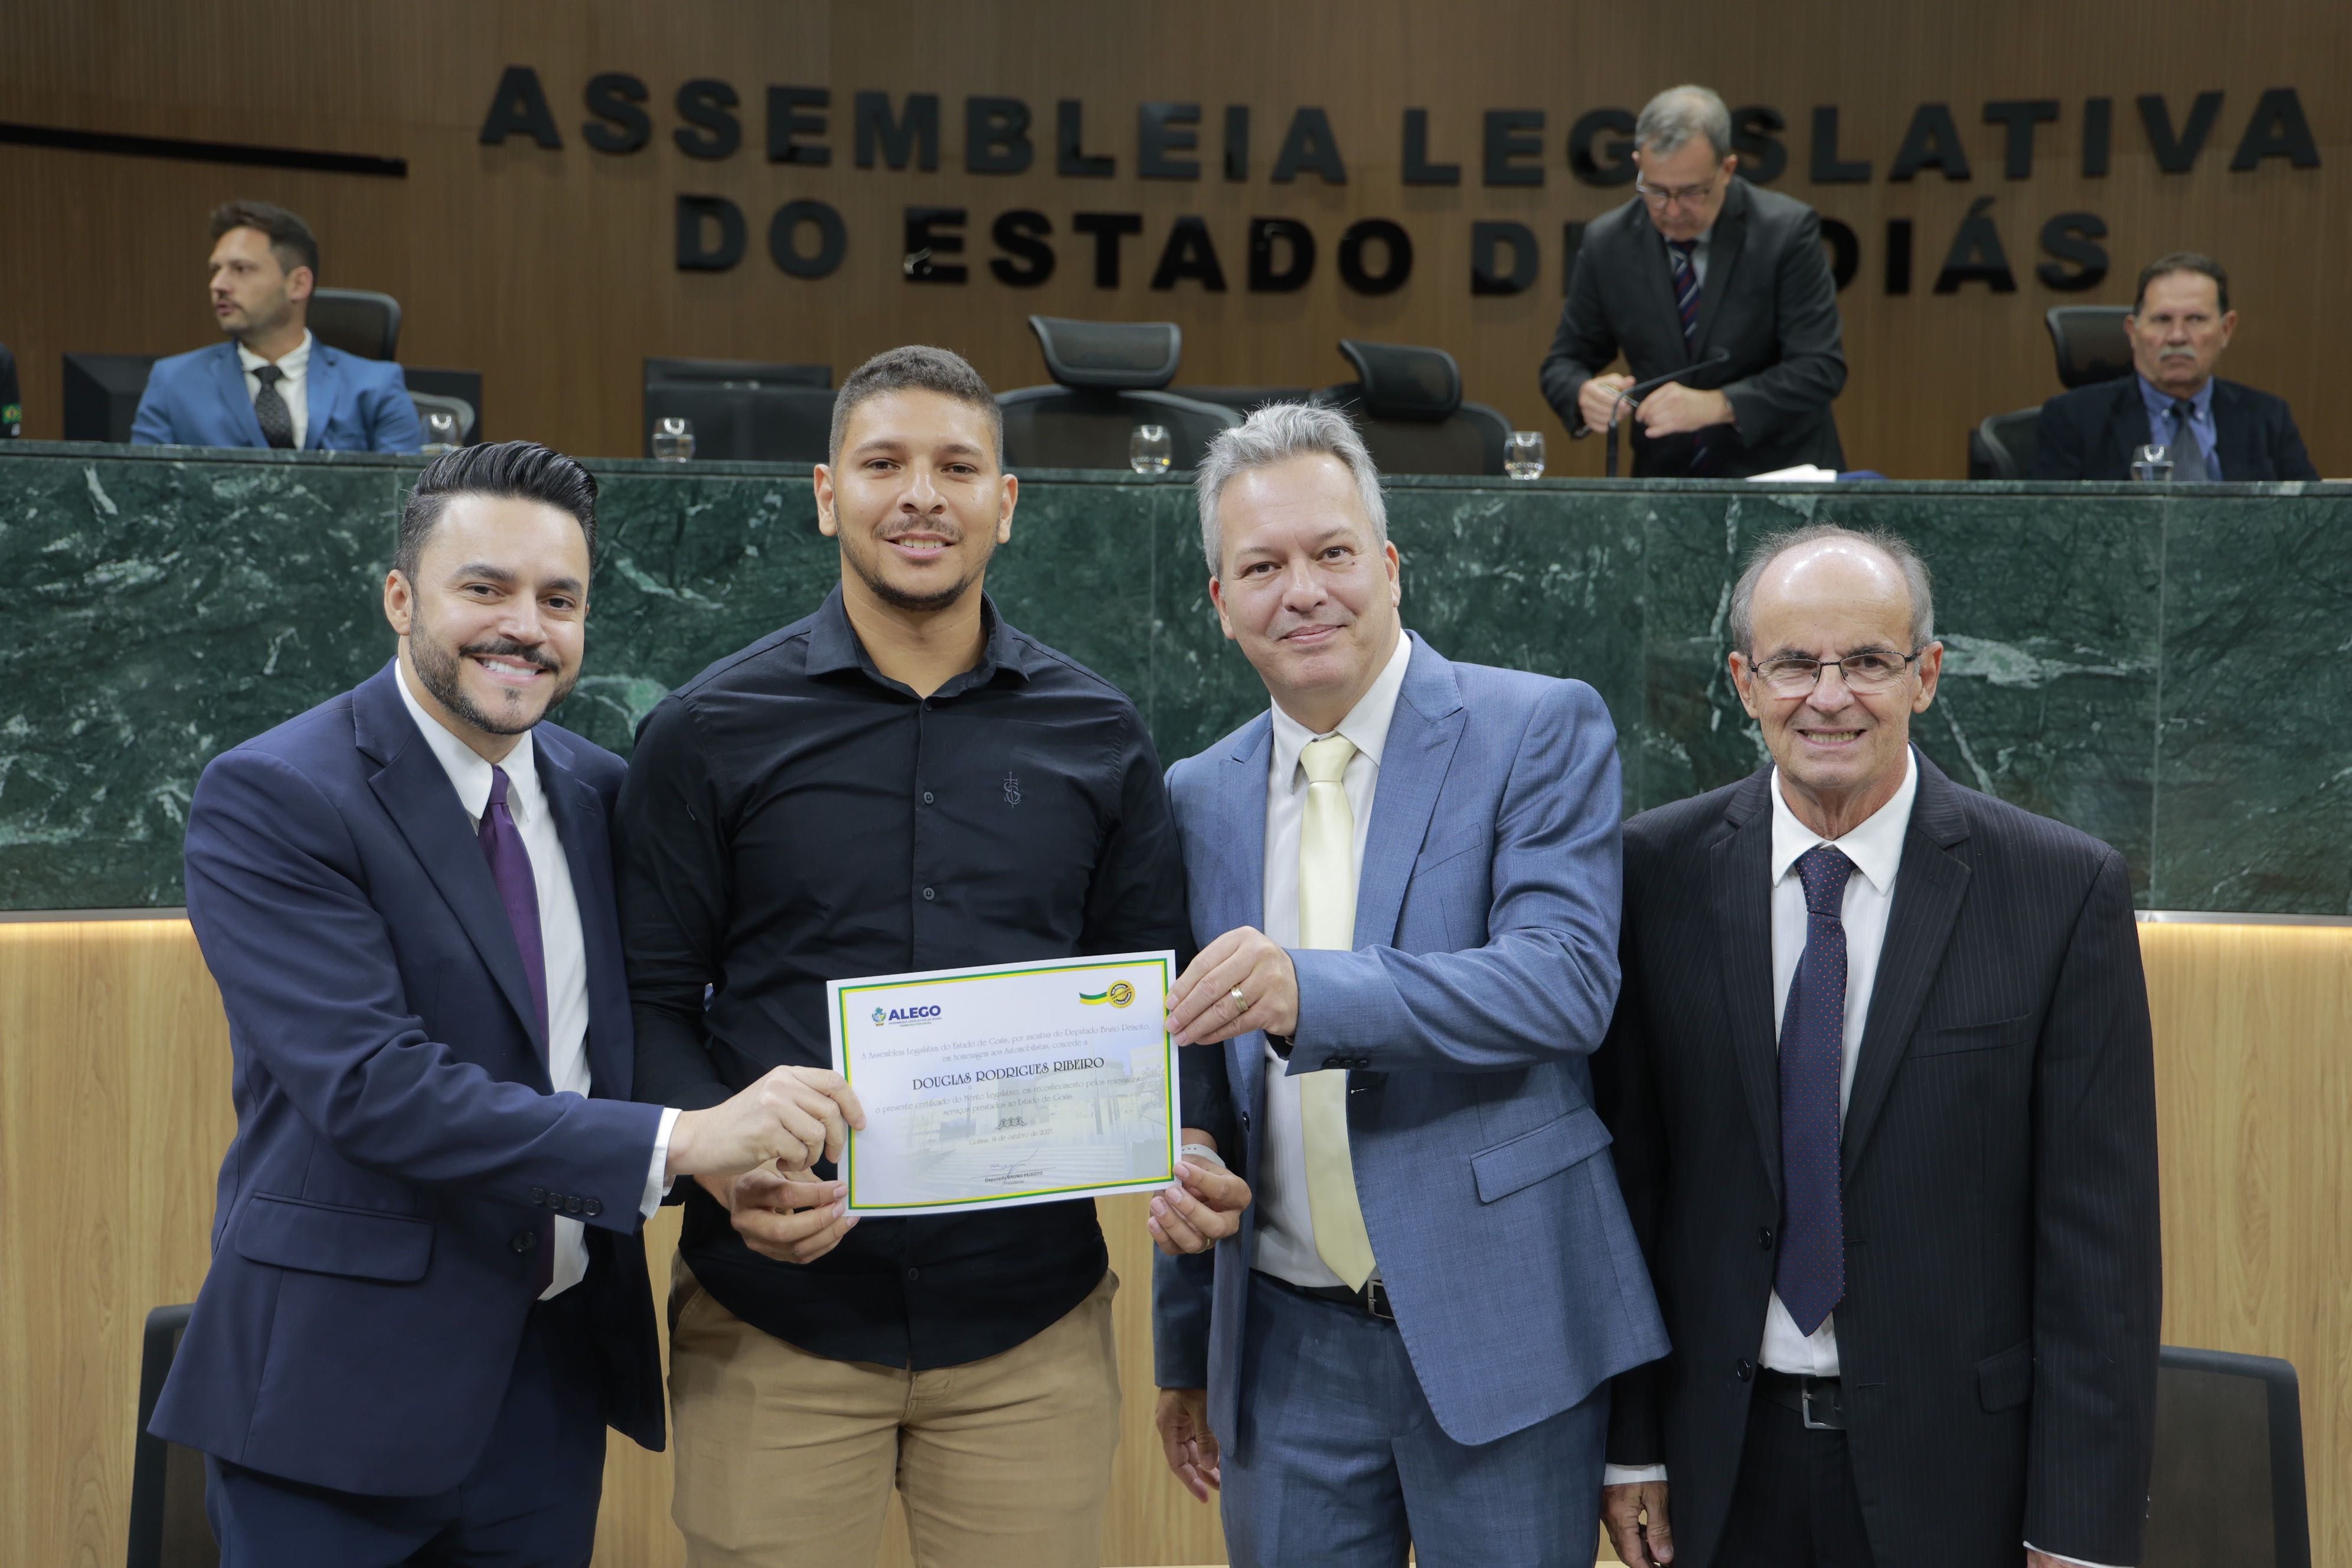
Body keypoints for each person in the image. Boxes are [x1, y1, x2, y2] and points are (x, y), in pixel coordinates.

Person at [151, 441, 864, 1566]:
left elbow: (613, 1042)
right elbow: (373, 1088)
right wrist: (682, 1140)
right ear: (400, 598)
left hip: (547, 1385)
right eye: (484, 589)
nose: (523, 627)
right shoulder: (275, 795)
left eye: (558, 599)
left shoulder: (602, 794)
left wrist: (729, 1166)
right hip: (334, 1395)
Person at [616, 345, 1210, 1568]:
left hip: (1029, 1332)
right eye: (883, 463)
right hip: (773, 1318)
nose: (921, 496)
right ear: (826, 492)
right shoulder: (705, 732)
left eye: (957, 467)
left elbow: (1154, 1001)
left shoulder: (1099, 734)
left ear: (1007, 501)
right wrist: (719, 1169)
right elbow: (648, 1002)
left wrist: (1182, 1137)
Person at [1148, 402, 1667, 1568]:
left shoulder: (1536, 725)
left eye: (1332, 553)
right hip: (1281, 1351)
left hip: (1502, 1335)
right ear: (1220, 603)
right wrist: (1185, 1340)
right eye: (1262, 567)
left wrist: (1308, 991)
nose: (1303, 592)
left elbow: (1563, 982)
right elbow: (1200, 1084)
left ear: (1388, 566)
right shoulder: (1197, 793)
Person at [1596, 524, 2161, 1568]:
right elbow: (1628, 1186)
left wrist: (2077, 1529)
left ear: (1925, 676)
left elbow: (2100, 1248)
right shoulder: (1650, 873)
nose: (1829, 696)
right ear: (1743, 683)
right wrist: (1631, 1443)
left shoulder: (2058, 890)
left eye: (1865, 661)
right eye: (1793, 664)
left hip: (1963, 1478)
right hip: (1721, 1465)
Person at [1540, 85, 1845, 478]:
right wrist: (1584, 394)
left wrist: (1720, 404)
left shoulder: (1785, 232)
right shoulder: (1608, 242)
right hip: (1665, 482)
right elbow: (1564, 362)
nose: (1671, 210)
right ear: (1638, 164)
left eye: (1690, 193)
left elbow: (1820, 366)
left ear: (1727, 170)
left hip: (1779, 477)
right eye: (1656, 190)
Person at [132, 199, 420, 453]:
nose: (218, 285)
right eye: (215, 270)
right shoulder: (173, 383)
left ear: (298, 284)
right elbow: (139, 489)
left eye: (241, 269)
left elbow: (406, 493)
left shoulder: (377, 386)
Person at [2031, 252, 2318, 482]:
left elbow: (2311, 521)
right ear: (2133, 332)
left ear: (2226, 330)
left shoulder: (2268, 418)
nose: (2177, 337)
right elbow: (2053, 527)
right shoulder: (2073, 420)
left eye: (2196, 319)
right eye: (2162, 320)